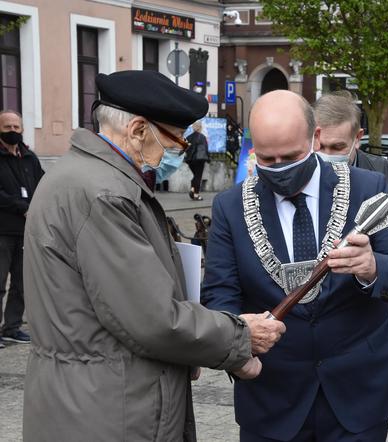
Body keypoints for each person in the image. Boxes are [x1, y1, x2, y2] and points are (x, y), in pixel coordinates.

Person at [22, 70, 285, 441]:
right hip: (110, 408)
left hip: (89, 395)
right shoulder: (105, 193)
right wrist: (241, 336)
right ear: (138, 130)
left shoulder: (79, 175)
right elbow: (153, 319)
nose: (179, 150)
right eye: (175, 140)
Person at [202, 89, 388, 441]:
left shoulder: (368, 187)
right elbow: (219, 294)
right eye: (267, 160)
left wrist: (372, 267)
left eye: (290, 156)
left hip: (359, 395)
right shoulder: (230, 207)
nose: (279, 170)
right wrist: (237, 351)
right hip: (271, 397)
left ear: (315, 137)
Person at [313, 91, 388, 349]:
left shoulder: (385, 175)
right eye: (320, 146)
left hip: (371, 316)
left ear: (357, 139)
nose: (326, 154)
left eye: (337, 147)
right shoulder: (300, 173)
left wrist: (377, 262)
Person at [0, 110, 43, 349]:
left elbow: (42, 184)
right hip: (3, 230)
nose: (13, 132)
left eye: (16, 127)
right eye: (8, 127)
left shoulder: (30, 157)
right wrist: (20, 206)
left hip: (26, 230)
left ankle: (12, 327)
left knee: (22, 282)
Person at [185, 120, 210, 200]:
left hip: (190, 160)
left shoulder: (188, 137)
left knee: (195, 176)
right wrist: (208, 158)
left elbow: (185, 149)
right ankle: (196, 194)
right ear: (200, 127)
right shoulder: (202, 137)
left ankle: (193, 189)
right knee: (198, 177)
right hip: (199, 160)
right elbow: (205, 149)